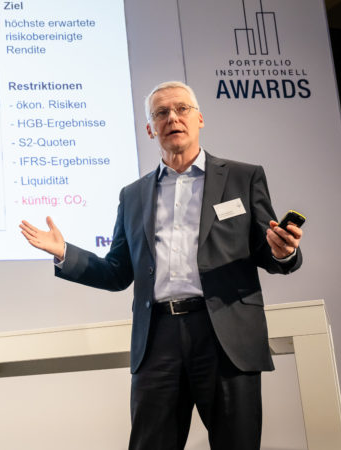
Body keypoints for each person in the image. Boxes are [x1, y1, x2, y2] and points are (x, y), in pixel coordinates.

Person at [19, 81, 303, 450]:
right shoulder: (133, 195)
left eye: (182, 109)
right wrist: (65, 253)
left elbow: (268, 249)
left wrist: (283, 251)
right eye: (161, 113)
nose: (173, 118)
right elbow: (117, 271)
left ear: (200, 118)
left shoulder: (242, 177)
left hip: (224, 334)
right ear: (151, 128)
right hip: (158, 338)